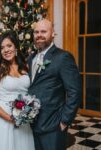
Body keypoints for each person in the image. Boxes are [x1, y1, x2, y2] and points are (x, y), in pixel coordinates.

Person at [28, 19, 82, 150]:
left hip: (53, 126)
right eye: (36, 32)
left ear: (53, 34)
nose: (39, 35)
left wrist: (64, 121)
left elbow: (75, 91)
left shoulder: (63, 57)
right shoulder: (31, 58)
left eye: (43, 31)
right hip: (32, 125)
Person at [0, 31, 35, 150]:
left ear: (15, 47)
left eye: (9, 46)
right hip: (3, 119)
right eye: (2, 48)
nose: (6, 50)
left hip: (23, 118)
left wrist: (28, 112)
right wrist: (9, 118)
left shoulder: (25, 66)